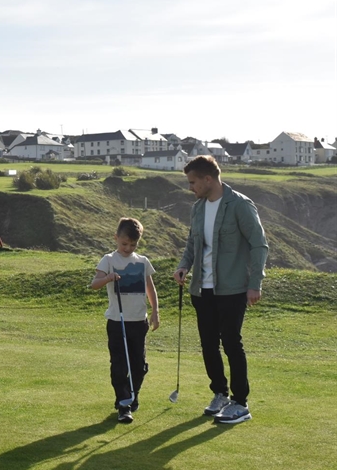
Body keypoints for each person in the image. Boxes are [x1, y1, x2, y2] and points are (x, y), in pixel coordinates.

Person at [173, 155, 268, 425]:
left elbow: (259, 245)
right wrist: (184, 266)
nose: (190, 187)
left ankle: (240, 403)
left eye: (193, 182)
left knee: (231, 343)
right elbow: (193, 243)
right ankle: (220, 394)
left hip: (233, 288)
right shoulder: (198, 208)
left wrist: (255, 284)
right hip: (202, 289)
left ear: (208, 179)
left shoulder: (239, 204)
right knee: (208, 344)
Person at [90, 217, 160, 423]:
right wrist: (107, 278)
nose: (128, 248)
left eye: (133, 244)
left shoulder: (142, 262)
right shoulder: (109, 260)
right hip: (116, 321)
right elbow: (94, 284)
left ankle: (132, 394)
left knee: (139, 365)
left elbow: (150, 288)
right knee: (120, 365)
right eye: (124, 244)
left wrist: (155, 311)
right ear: (116, 238)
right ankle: (123, 403)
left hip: (139, 322)